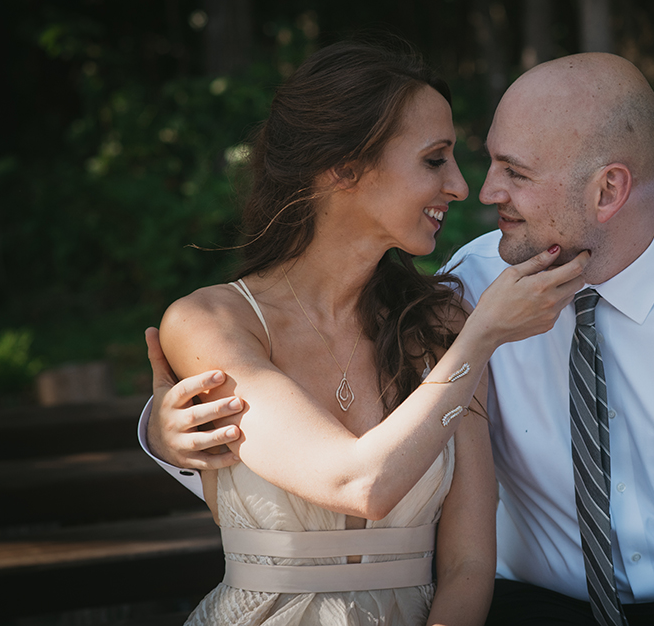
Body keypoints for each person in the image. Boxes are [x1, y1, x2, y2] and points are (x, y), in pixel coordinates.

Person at [144, 52, 654, 625]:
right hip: (533, 609)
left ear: (607, 190)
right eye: (465, 159)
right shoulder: (467, 292)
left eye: (513, 171)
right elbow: (309, 412)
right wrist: (167, 433)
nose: (478, 190)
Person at [146, 40, 589, 626]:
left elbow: (469, 566)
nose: (461, 186)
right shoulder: (213, 321)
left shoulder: (439, 325)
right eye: (435, 160)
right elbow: (358, 483)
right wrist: (480, 340)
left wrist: (468, 336)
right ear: (345, 167)